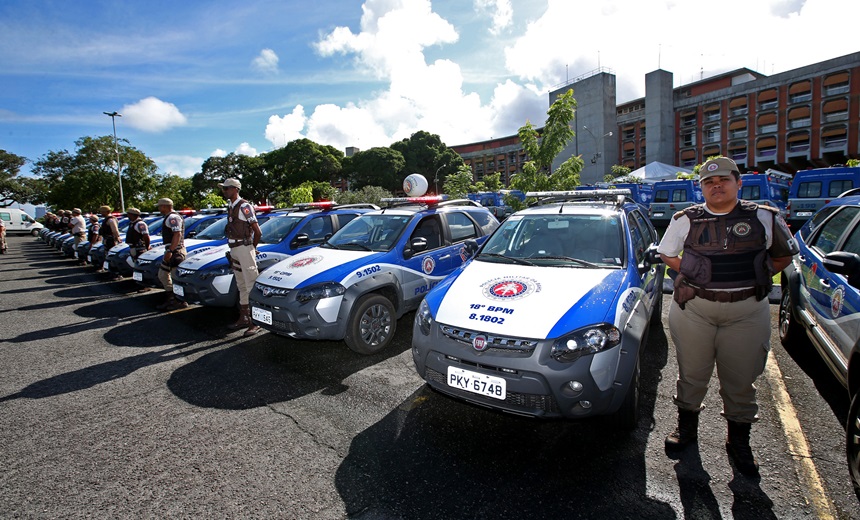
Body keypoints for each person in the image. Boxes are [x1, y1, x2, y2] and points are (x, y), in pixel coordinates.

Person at [658, 156, 798, 477]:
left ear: (739, 183)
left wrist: (757, 273)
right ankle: (686, 430)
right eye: (708, 182)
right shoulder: (686, 219)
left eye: (723, 179)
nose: (716, 185)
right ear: (701, 188)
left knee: (741, 379)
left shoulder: (763, 216)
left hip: (746, 310)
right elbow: (667, 253)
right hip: (695, 308)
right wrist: (691, 270)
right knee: (691, 373)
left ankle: (739, 442)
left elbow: (784, 254)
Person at [219, 178, 262, 336]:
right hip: (235, 248)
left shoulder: (244, 206)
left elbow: (257, 231)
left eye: (226, 189)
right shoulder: (231, 206)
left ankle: (255, 322)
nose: (224, 191)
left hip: (244, 248)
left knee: (250, 283)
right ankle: (244, 317)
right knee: (241, 284)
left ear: (235, 189)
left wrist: (252, 248)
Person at [154, 198, 189, 311]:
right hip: (172, 250)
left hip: (176, 251)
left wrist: (171, 251)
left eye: (160, 206)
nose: (159, 209)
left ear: (165, 206)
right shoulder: (169, 217)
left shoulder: (173, 217)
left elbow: (177, 235)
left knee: (175, 278)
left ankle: (179, 301)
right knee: (163, 275)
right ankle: (172, 298)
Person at [97, 205, 121, 272]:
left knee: (111, 255)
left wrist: (117, 237)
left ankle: (115, 272)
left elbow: (115, 230)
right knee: (107, 255)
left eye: (103, 212)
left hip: (111, 240)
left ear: (107, 212)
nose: (101, 213)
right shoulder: (107, 219)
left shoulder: (111, 219)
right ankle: (109, 269)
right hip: (107, 240)